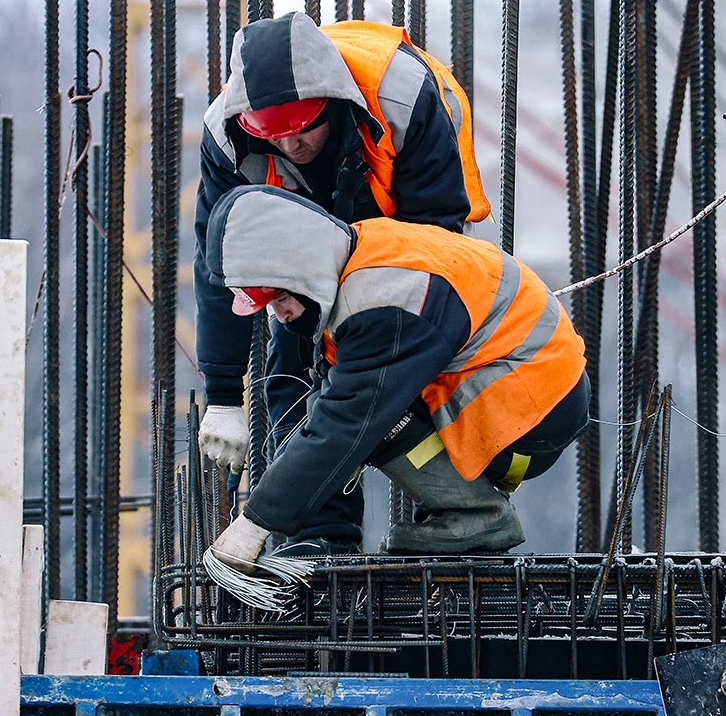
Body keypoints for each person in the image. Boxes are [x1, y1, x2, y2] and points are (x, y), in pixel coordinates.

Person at [194, 11, 491, 556]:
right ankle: (319, 536)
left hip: (410, 229)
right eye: (274, 136)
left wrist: (363, 335)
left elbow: (434, 247)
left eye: (304, 128)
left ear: (331, 104)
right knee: (294, 374)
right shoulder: (226, 133)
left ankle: (457, 517)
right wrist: (221, 393)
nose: (291, 146)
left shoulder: (403, 97)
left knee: (405, 376)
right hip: (304, 248)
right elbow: (220, 263)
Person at [201, 185, 589, 564]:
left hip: (529, 413)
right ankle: (460, 510)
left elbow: (345, 423)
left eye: (281, 298)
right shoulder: (359, 256)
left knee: (374, 423)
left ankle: (476, 516)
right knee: (345, 411)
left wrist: (256, 522)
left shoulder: (381, 300)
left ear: (302, 269)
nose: (280, 316)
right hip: (526, 393)